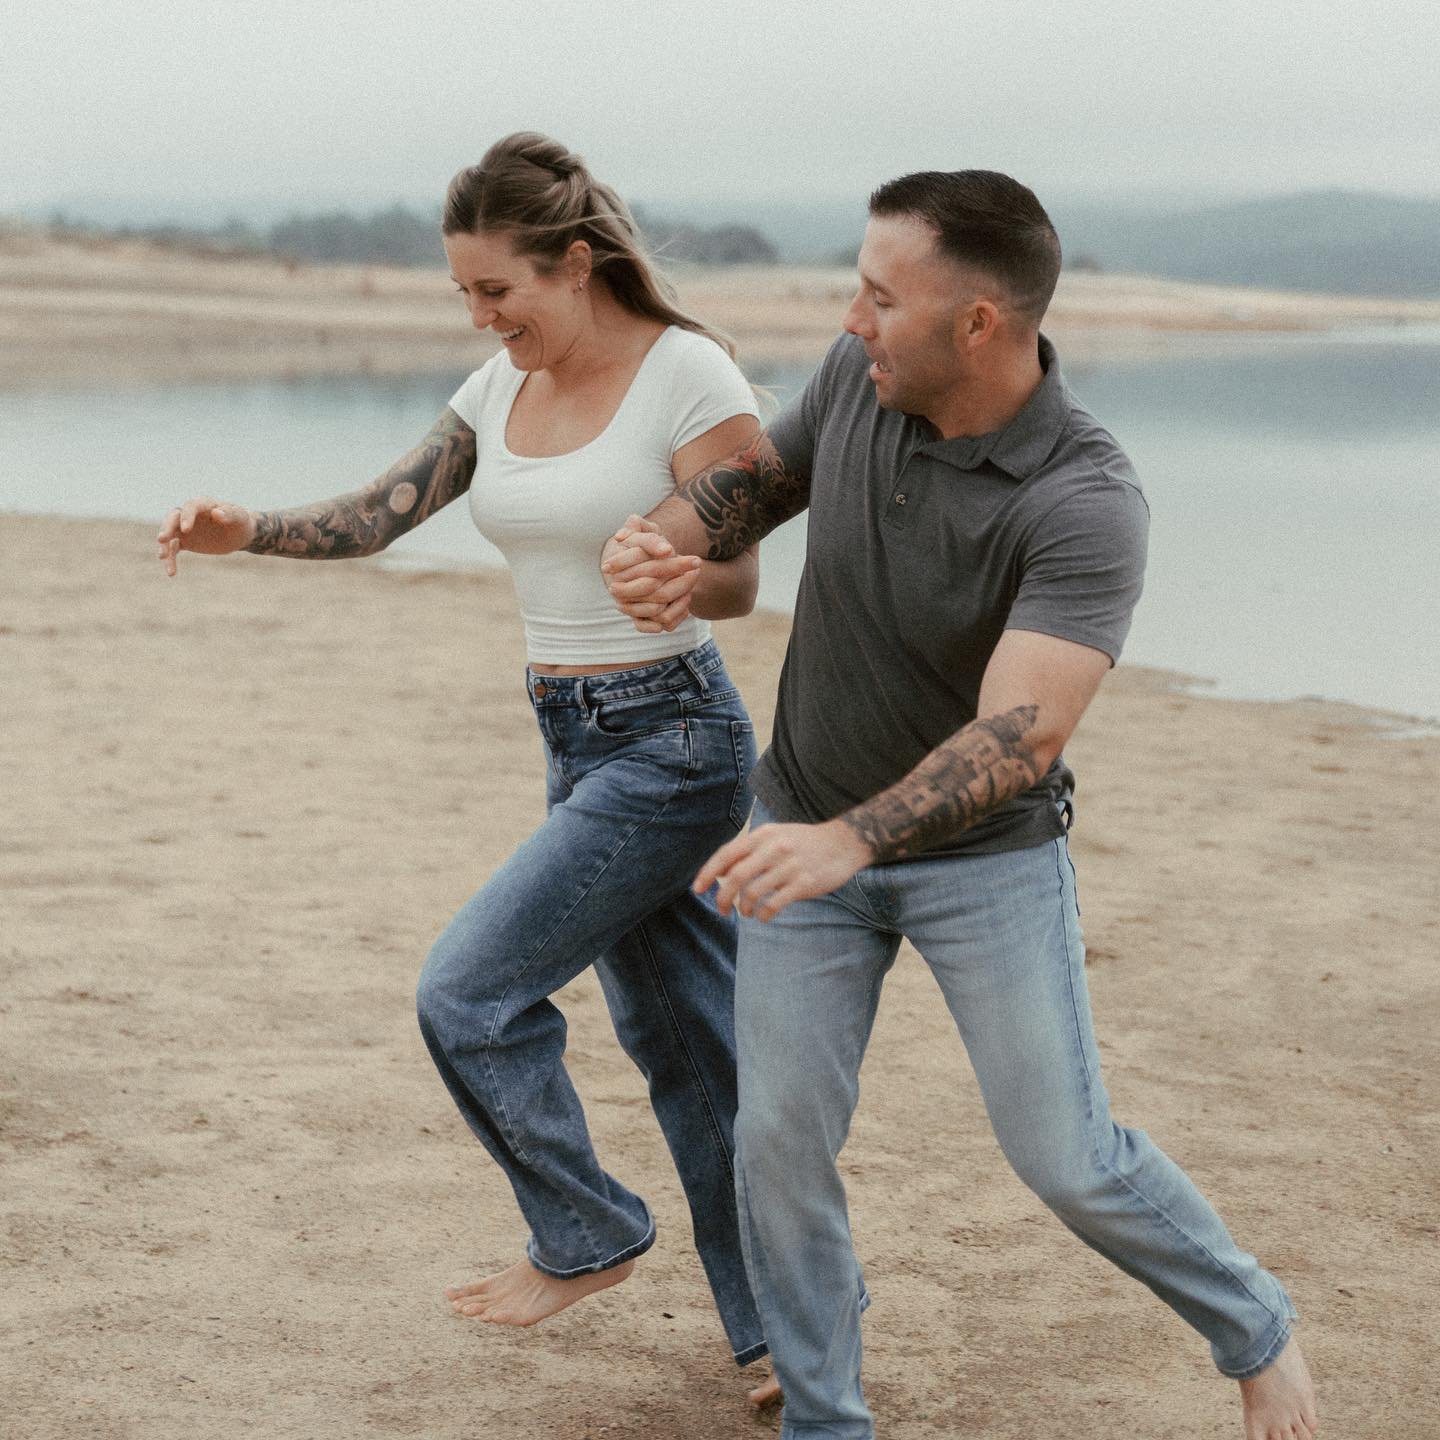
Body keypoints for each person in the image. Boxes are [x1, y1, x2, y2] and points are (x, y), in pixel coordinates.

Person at [601, 170, 1320, 1439]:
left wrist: (845, 842)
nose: (852, 316)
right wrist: (660, 545)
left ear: (979, 324)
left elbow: (1022, 734)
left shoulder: (1085, 499)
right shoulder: (857, 378)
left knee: (1067, 1157)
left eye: (881, 296)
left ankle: (1254, 1328)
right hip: (804, 823)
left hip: (980, 857)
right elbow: (751, 492)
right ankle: (827, 1419)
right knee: (777, 1143)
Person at [155, 130, 778, 1395]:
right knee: (693, 1056)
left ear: (577, 263)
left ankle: (588, 1230)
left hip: (674, 741)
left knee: (468, 994)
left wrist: (679, 578)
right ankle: (786, 1335)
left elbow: (742, 580)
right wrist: (247, 532)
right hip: (576, 740)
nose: (484, 317)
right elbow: (383, 511)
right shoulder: (498, 392)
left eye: (501, 290)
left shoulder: (690, 375)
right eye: (466, 294)